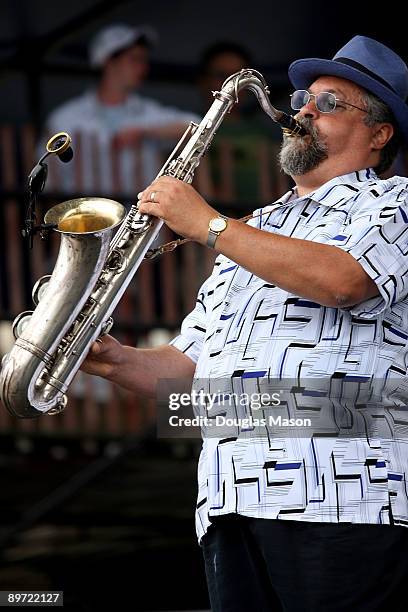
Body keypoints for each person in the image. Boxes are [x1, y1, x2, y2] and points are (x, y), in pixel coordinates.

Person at [81, 35, 408, 611]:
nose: (304, 109)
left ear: (380, 134)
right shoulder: (257, 226)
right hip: (229, 498)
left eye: (331, 103)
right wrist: (111, 358)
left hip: (340, 499)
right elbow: (191, 369)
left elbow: (344, 281)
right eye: (305, 96)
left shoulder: (394, 201)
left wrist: (207, 223)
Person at [43, 23, 199, 196]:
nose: (143, 68)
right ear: (108, 61)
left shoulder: (148, 113)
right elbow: (49, 178)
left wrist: (144, 132)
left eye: (143, 60)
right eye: (134, 59)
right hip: (85, 219)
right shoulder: (66, 118)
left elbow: (197, 127)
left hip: (138, 218)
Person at [197, 41, 284, 205]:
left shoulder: (263, 133)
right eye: (222, 76)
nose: (233, 86)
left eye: (239, 77)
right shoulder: (189, 129)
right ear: (203, 81)